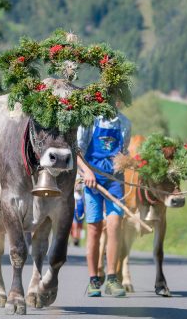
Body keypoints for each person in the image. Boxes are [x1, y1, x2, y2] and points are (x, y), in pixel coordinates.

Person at [77, 109, 132, 298]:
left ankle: (112, 278)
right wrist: (86, 173)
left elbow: (124, 153)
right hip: (92, 181)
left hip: (115, 182)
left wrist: (128, 162)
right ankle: (93, 279)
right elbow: (76, 151)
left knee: (115, 225)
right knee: (94, 228)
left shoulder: (124, 123)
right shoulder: (89, 120)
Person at [70, 175, 85, 246]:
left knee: (80, 226)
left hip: (81, 212)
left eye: (80, 185)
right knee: (75, 225)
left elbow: (84, 204)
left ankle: (77, 239)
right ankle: (74, 238)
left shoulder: (82, 196)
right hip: (74, 212)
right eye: (78, 184)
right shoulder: (74, 195)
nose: (79, 186)